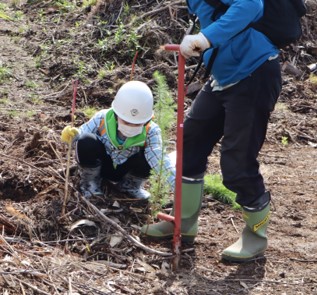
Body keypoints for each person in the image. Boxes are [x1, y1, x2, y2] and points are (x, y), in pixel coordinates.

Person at [141, 0, 282, 262]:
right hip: (223, 79)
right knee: (190, 143)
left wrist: (205, 38)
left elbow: (251, 5)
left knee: (237, 162)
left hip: (255, 73)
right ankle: (183, 224)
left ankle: (256, 236)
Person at [61, 80, 175, 200]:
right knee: (85, 140)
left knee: (149, 155)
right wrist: (71, 136)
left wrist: (177, 184)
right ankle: (90, 182)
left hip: (126, 170)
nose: (131, 127)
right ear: (116, 115)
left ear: (147, 120)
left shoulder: (151, 131)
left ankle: (130, 186)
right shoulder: (102, 118)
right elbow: (81, 133)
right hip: (102, 166)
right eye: (126, 122)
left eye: (137, 124)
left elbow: (159, 159)